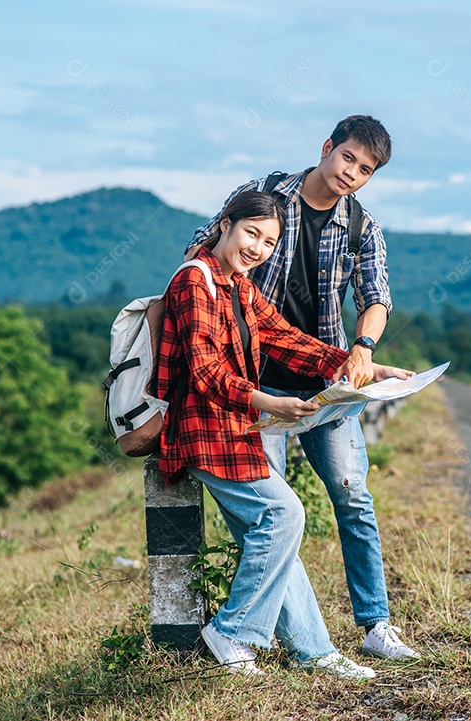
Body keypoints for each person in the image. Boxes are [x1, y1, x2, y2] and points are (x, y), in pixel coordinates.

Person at [186, 115, 419, 660]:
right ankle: (288, 639)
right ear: (326, 149)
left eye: (366, 170)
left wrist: (363, 350)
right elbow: (201, 252)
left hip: (327, 381)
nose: (352, 174)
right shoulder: (262, 201)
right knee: (273, 511)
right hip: (253, 386)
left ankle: (375, 624)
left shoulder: (362, 227)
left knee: (351, 492)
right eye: (348, 160)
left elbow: (376, 297)